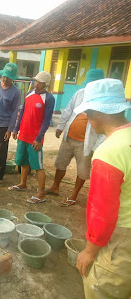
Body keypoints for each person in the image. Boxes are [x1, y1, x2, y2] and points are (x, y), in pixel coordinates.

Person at [75, 78, 131, 299]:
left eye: (88, 114)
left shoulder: (108, 152)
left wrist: (89, 252)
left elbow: (103, 213)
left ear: (96, 113)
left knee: (102, 288)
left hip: (121, 239)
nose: (89, 121)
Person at [45, 69, 105, 206]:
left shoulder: (102, 101)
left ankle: (74, 195)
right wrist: (60, 126)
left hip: (86, 143)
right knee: (61, 163)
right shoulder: (80, 93)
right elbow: (68, 110)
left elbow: (103, 127)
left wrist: (97, 146)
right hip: (69, 137)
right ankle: (55, 186)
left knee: (82, 170)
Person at [9, 71, 55, 203]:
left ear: (45, 84)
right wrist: (16, 129)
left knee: (37, 166)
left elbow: (46, 120)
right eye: (35, 81)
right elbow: (22, 112)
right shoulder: (29, 93)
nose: (35, 84)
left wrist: (39, 138)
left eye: (38, 82)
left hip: (35, 139)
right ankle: (23, 184)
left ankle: (41, 193)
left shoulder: (49, 98)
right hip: (23, 135)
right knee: (23, 162)